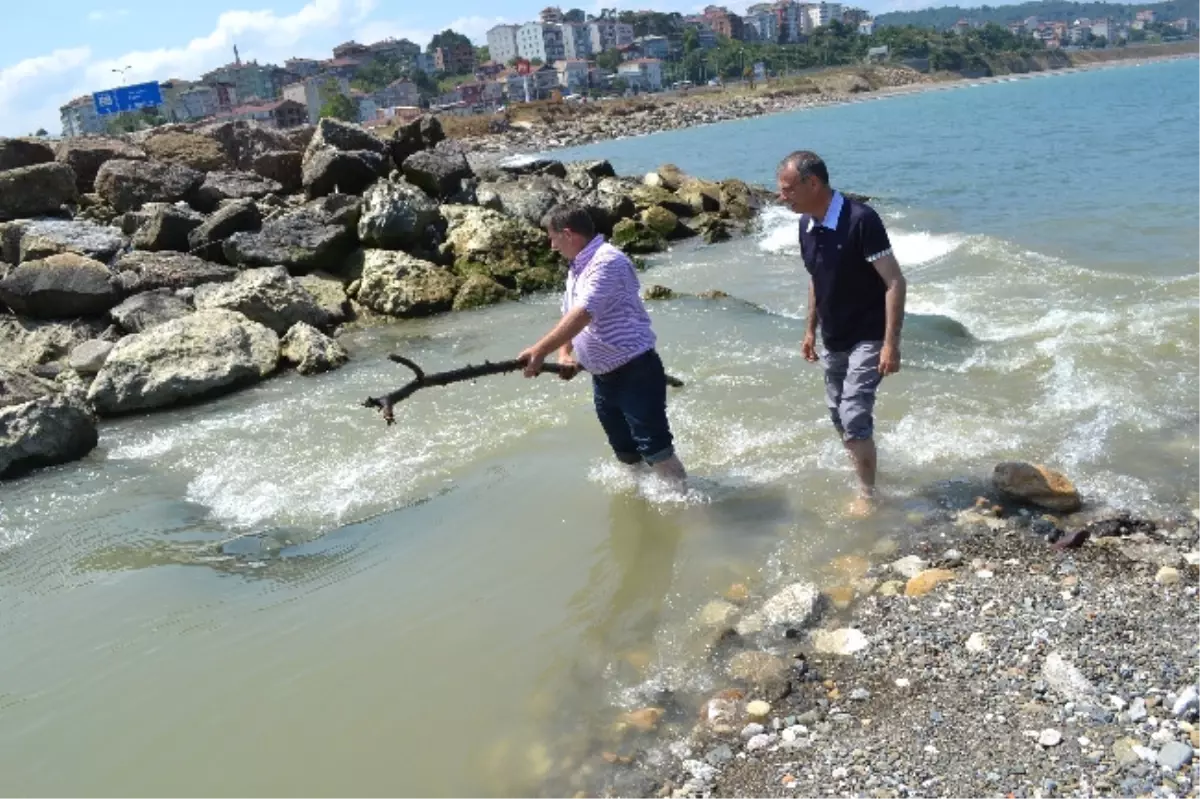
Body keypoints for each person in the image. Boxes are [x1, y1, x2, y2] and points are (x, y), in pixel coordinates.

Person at [776, 151, 907, 513]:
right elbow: (817, 279)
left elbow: (894, 281)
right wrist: (808, 330)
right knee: (838, 413)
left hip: (869, 333)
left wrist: (890, 345)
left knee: (852, 412)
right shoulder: (805, 225)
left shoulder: (861, 220)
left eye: (787, 190)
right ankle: (866, 468)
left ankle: (868, 495)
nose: (781, 197)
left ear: (812, 183)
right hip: (834, 336)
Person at [517, 205, 687, 484]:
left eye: (553, 238)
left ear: (568, 234)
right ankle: (644, 511)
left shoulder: (607, 261)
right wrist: (564, 355)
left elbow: (583, 313)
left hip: (636, 373)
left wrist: (539, 351)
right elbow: (569, 317)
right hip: (603, 379)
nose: (551, 245)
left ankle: (689, 511)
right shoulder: (577, 267)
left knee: (657, 451)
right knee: (626, 455)